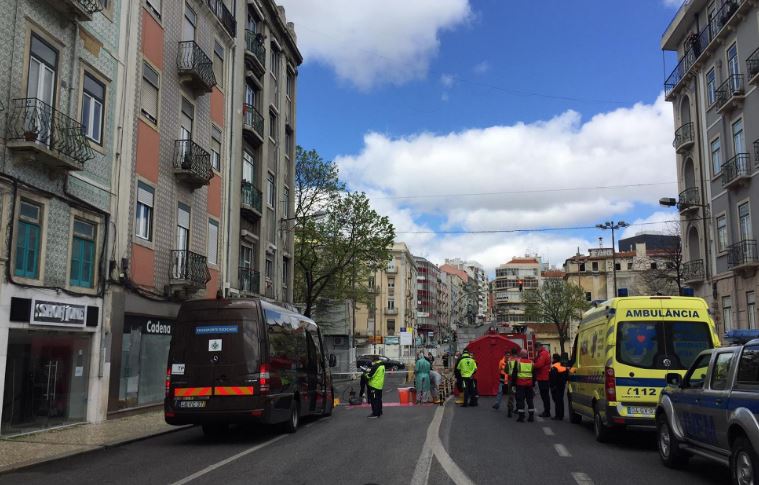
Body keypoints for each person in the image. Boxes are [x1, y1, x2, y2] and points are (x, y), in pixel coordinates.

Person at [511, 349, 535, 422]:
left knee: (520, 400)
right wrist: (533, 384)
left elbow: (514, 374)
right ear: (527, 355)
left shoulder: (518, 362)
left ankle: (521, 417)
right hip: (529, 384)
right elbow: (534, 375)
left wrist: (513, 384)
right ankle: (531, 416)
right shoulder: (531, 362)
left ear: (521, 355)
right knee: (530, 400)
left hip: (520, 384)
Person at [533, 342, 552, 418]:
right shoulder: (543, 353)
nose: (536, 350)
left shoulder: (543, 354)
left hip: (543, 377)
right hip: (543, 377)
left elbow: (539, 364)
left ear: (539, 347)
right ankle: (546, 411)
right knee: (545, 396)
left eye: (536, 348)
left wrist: (532, 364)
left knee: (545, 396)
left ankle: (547, 412)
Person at [549, 353, 569, 421]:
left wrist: (552, 386)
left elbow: (553, 377)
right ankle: (561, 415)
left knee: (557, 401)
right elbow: (566, 375)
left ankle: (558, 416)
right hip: (562, 385)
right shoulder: (562, 365)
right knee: (560, 400)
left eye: (552, 358)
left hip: (556, 385)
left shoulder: (554, 366)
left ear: (554, 359)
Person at [505, 347, 519, 417]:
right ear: (517, 353)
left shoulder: (509, 360)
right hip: (519, 380)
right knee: (519, 395)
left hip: (511, 379)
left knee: (511, 395)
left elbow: (506, 371)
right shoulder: (519, 360)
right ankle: (518, 409)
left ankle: (510, 410)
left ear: (511, 353)